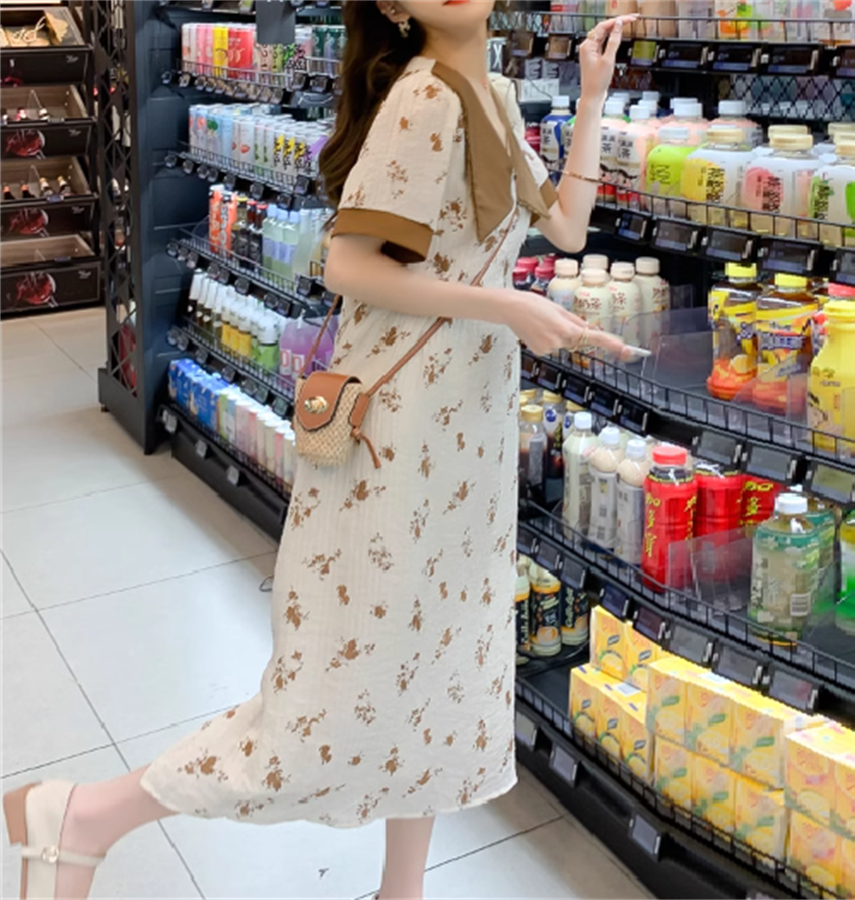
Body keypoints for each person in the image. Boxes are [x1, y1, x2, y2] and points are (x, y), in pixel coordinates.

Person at [2, 2, 637, 899]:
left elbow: (566, 225)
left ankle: (400, 891)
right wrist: (507, 306)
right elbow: (350, 263)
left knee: (441, 663)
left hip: (464, 435)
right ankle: (88, 815)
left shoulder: (490, 93)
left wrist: (593, 94)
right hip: (401, 435)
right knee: (335, 694)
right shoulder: (423, 98)